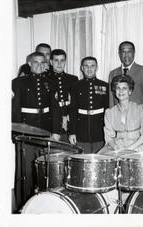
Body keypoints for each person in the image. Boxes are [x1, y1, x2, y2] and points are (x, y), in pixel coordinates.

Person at [12, 51, 61, 202]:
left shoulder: (51, 83)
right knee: (25, 169)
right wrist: (16, 131)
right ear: (29, 64)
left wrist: (56, 131)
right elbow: (15, 108)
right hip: (26, 128)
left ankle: (43, 201)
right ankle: (23, 202)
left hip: (45, 130)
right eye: (36, 62)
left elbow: (55, 108)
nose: (39, 65)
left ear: (46, 64)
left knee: (45, 168)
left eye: (42, 63)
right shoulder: (18, 82)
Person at [98, 75, 143, 154]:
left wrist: (127, 150)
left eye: (124, 88)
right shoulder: (109, 112)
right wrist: (116, 147)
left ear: (130, 91)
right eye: (118, 88)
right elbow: (109, 137)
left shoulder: (141, 109)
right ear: (114, 91)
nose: (121, 91)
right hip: (117, 147)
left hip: (137, 147)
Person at [68, 56, 109, 154]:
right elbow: (72, 110)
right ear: (82, 68)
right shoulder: (75, 86)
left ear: (97, 68)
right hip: (81, 129)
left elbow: (108, 109)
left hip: (100, 129)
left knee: (99, 159)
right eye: (86, 66)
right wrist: (72, 132)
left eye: (92, 66)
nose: (89, 69)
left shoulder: (105, 86)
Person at [108, 41, 143, 121]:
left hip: (138, 118)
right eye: (123, 52)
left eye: (129, 52)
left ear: (134, 53)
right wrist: (112, 120)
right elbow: (111, 100)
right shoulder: (113, 73)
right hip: (119, 119)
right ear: (119, 54)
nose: (126, 55)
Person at [47, 49, 78, 142]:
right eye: (56, 60)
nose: (59, 64)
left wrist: (67, 117)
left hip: (69, 122)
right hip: (51, 123)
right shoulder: (46, 79)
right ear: (51, 62)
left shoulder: (73, 79)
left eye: (62, 60)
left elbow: (74, 104)